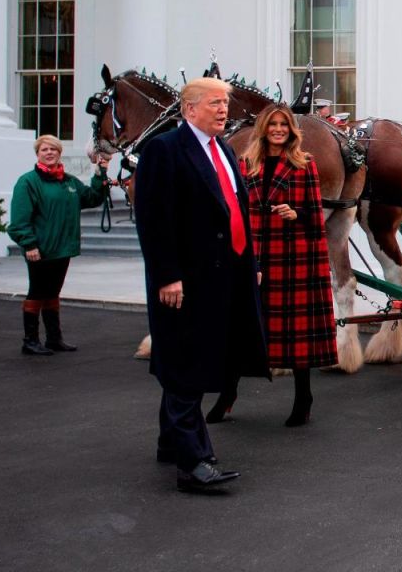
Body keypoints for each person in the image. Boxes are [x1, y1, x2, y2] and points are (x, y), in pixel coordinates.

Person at [133, 76, 269, 493]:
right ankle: (194, 463)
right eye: (214, 104)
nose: (223, 110)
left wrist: (250, 263)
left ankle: (169, 444)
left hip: (223, 277)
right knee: (186, 366)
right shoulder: (163, 149)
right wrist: (167, 275)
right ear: (190, 109)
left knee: (189, 357)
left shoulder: (224, 150)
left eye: (225, 103)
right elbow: (154, 220)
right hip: (185, 280)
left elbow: (235, 209)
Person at [228, 104, 337, 427]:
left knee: (296, 333)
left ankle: (303, 397)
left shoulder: (304, 165)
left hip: (292, 258)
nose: (278, 129)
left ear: (291, 130)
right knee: (242, 329)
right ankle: (227, 393)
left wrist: (296, 213)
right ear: (263, 128)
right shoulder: (246, 164)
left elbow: (317, 218)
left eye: (284, 125)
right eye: (273, 124)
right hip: (254, 254)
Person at [7, 135, 109, 356]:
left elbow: (92, 198)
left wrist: (100, 173)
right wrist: (29, 244)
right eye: (44, 149)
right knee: (37, 292)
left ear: (59, 153)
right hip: (39, 250)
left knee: (52, 292)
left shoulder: (69, 182)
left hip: (62, 249)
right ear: (38, 154)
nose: (49, 152)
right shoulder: (28, 182)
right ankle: (30, 340)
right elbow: (19, 219)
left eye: (53, 149)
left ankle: (54, 338)